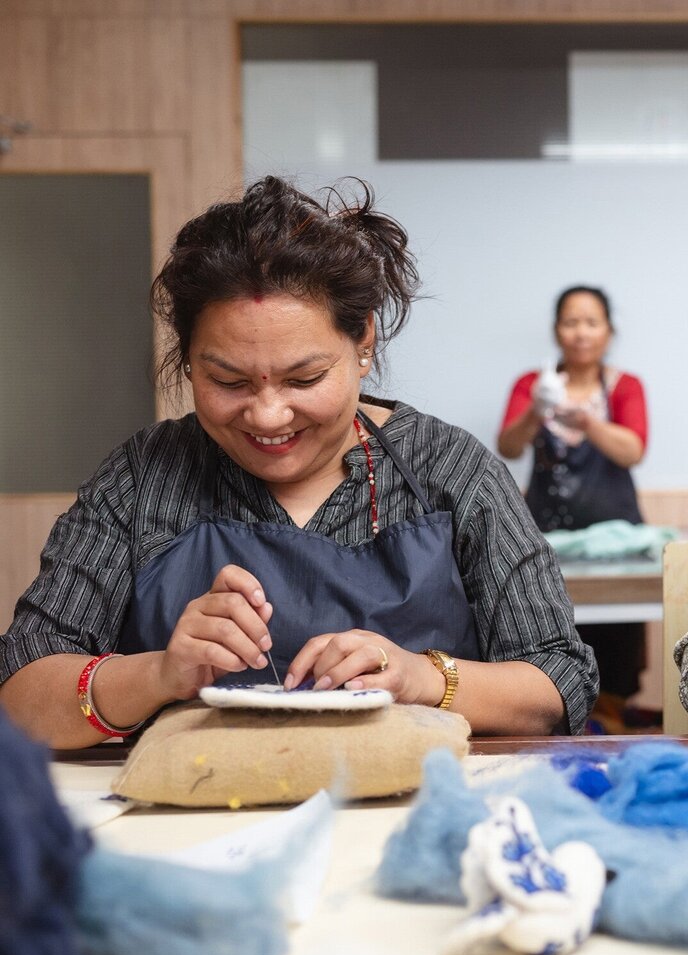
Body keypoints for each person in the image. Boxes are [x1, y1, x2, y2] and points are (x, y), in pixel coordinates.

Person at [0, 177, 597, 749]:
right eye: (227, 380)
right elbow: (21, 690)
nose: (267, 415)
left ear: (363, 341)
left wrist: (423, 678)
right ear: (187, 358)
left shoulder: (448, 470)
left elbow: (559, 679)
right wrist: (158, 674)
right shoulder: (142, 478)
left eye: (303, 378)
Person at [497, 285, 648, 710]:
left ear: (608, 331)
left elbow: (633, 449)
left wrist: (586, 420)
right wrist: (536, 410)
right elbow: (508, 448)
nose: (581, 332)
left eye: (591, 322)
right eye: (571, 322)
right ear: (557, 330)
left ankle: (613, 714)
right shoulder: (532, 384)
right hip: (547, 537)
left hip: (617, 537)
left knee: (616, 644)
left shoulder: (624, 387)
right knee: (551, 632)